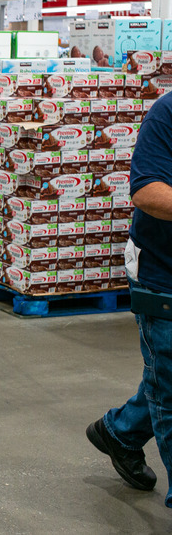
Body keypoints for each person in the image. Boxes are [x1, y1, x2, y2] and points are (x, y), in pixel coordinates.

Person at [86, 92, 172, 504]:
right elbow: (147, 192)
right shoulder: (168, 113)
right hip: (163, 274)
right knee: (171, 389)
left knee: (166, 378)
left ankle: (119, 432)